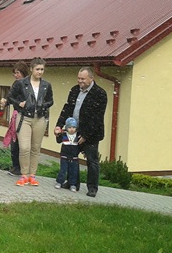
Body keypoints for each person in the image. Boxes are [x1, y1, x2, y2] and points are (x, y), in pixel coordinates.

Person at [54, 67, 108, 197]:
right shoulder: (74, 90)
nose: (80, 81)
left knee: (92, 161)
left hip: (91, 134)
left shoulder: (100, 93)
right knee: (71, 158)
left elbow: (97, 117)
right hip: (73, 131)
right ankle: (73, 183)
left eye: (83, 79)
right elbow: (67, 108)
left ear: (91, 78)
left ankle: (92, 187)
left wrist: (85, 135)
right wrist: (59, 125)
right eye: (78, 78)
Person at [7, 58, 54, 187]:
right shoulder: (21, 83)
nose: (40, 72)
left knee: (35, 148)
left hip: (40, 118)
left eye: (42, 69)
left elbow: (51, 101)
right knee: (24, 147)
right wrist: (19, 103)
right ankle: (24, 175)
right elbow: (10, 97)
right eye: (37, 69)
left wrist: (43, 105)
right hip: (24, 117)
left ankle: (32, 175)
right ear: (32, 69)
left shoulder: (46, 85)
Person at [3, 61, 30, 176]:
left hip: (25, 116)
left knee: (22, 143)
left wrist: (20, 103)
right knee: (14, 142)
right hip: (16, 114)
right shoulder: (16, 84)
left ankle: (22, 167)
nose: (16, 75)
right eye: (14, 73)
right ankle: (15, 166)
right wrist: (6, 102)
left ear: (23, 72)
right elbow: (11, 97)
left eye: (18, 72)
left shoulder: (29, 84)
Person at [55, 117, 82, 192]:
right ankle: (59, 182)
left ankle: (72, 184)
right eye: (69, 127)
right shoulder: (64, 134)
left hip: (74, 157)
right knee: (63, 170)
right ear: (66, 128)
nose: (72, 129)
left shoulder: (78, 136)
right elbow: (58, 141)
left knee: (73, 171)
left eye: (74, 127)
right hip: (64, 156)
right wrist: (58, 134)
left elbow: (80, 145)